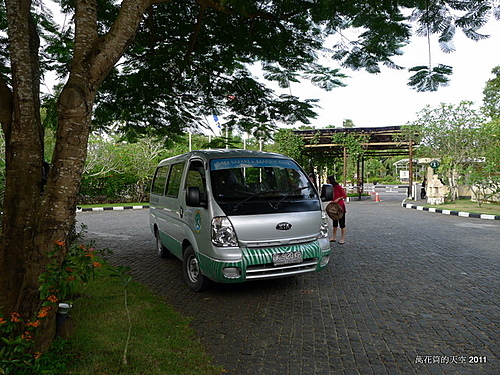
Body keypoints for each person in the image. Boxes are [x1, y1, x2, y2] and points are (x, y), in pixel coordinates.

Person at [327, 175, 347, 244]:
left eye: (328, 180)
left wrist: (338, 198)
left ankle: (342, 238)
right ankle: (333, 237)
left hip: (340, 207)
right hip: (333, 207)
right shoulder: (329, 188)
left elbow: (344, 195)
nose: (327, 182)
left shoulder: (338, 187)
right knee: (334, 223)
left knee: (342, 223)